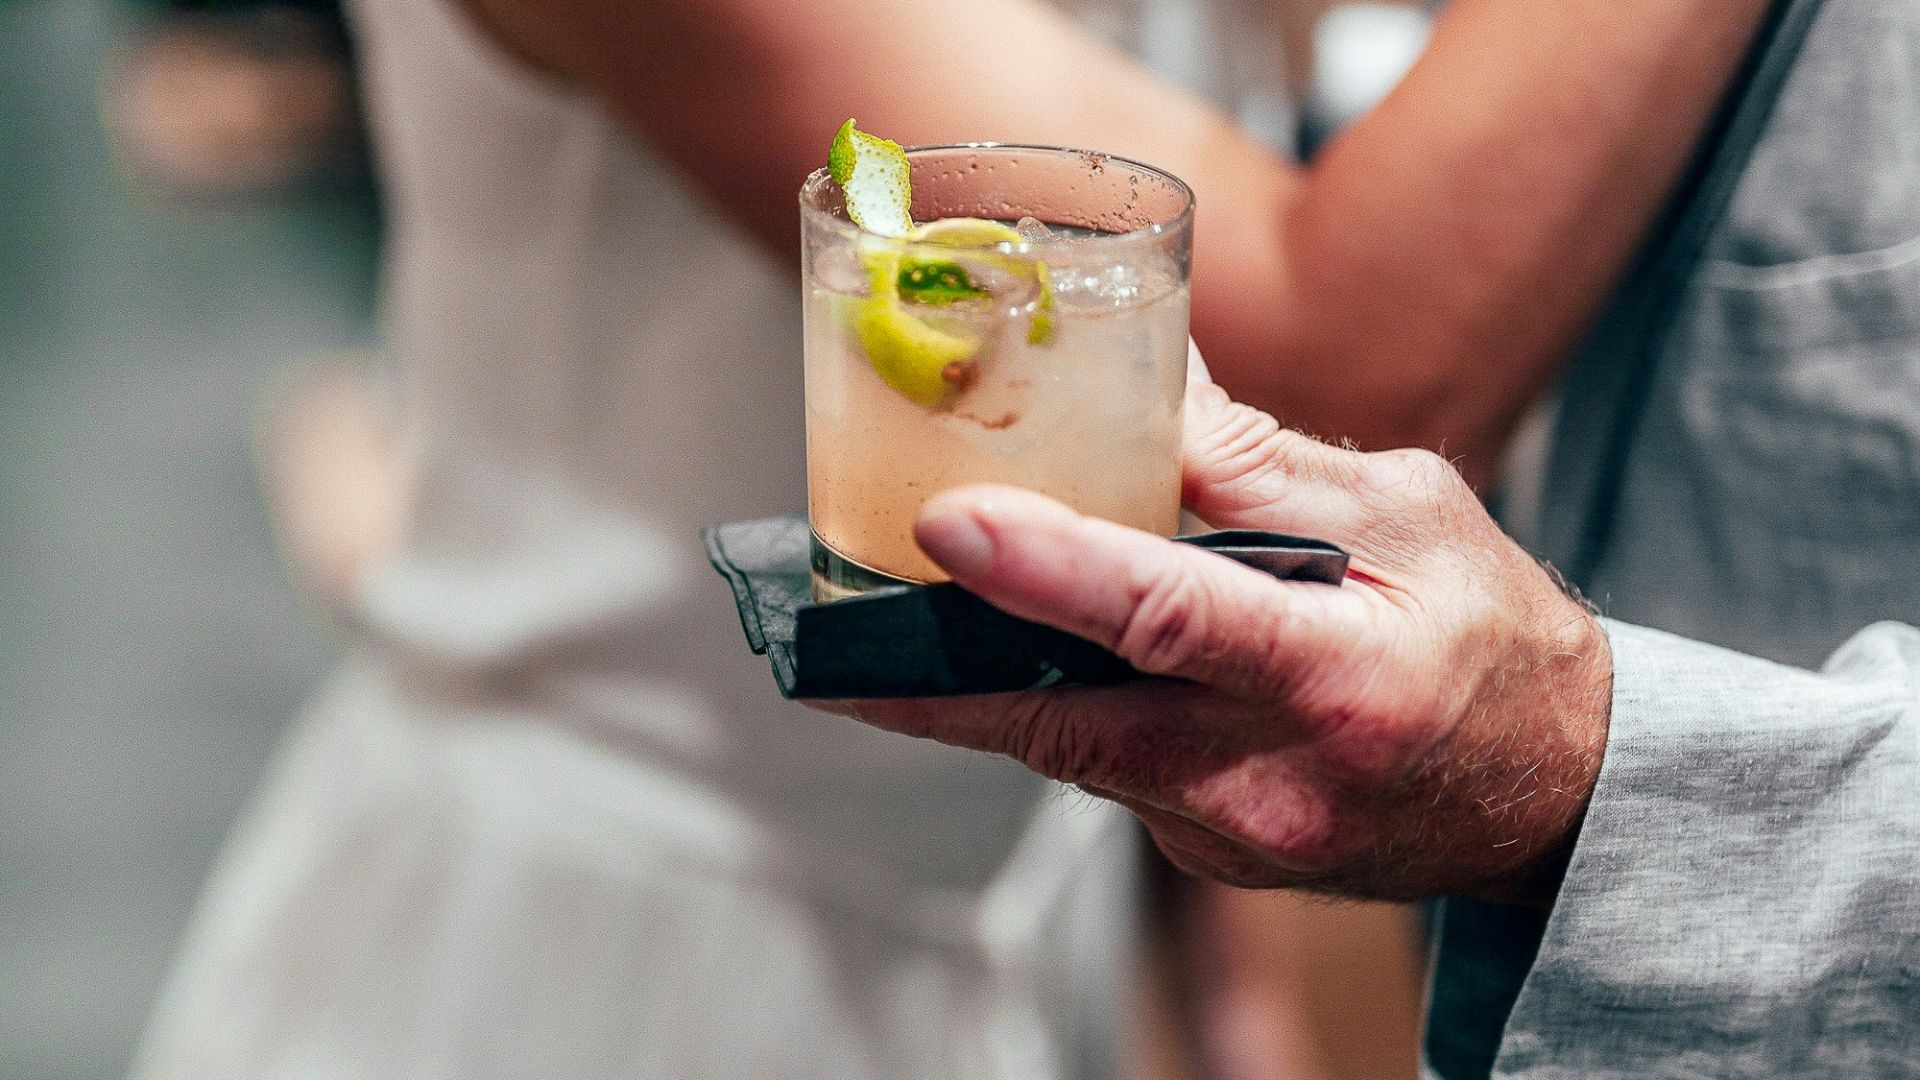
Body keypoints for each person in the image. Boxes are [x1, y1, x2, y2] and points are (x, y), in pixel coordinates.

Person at [450, 0, 1920, 1071]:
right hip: (677, 904)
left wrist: (1226, 1002)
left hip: (1032, 890)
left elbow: (1115, 519)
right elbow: (1323, 372)